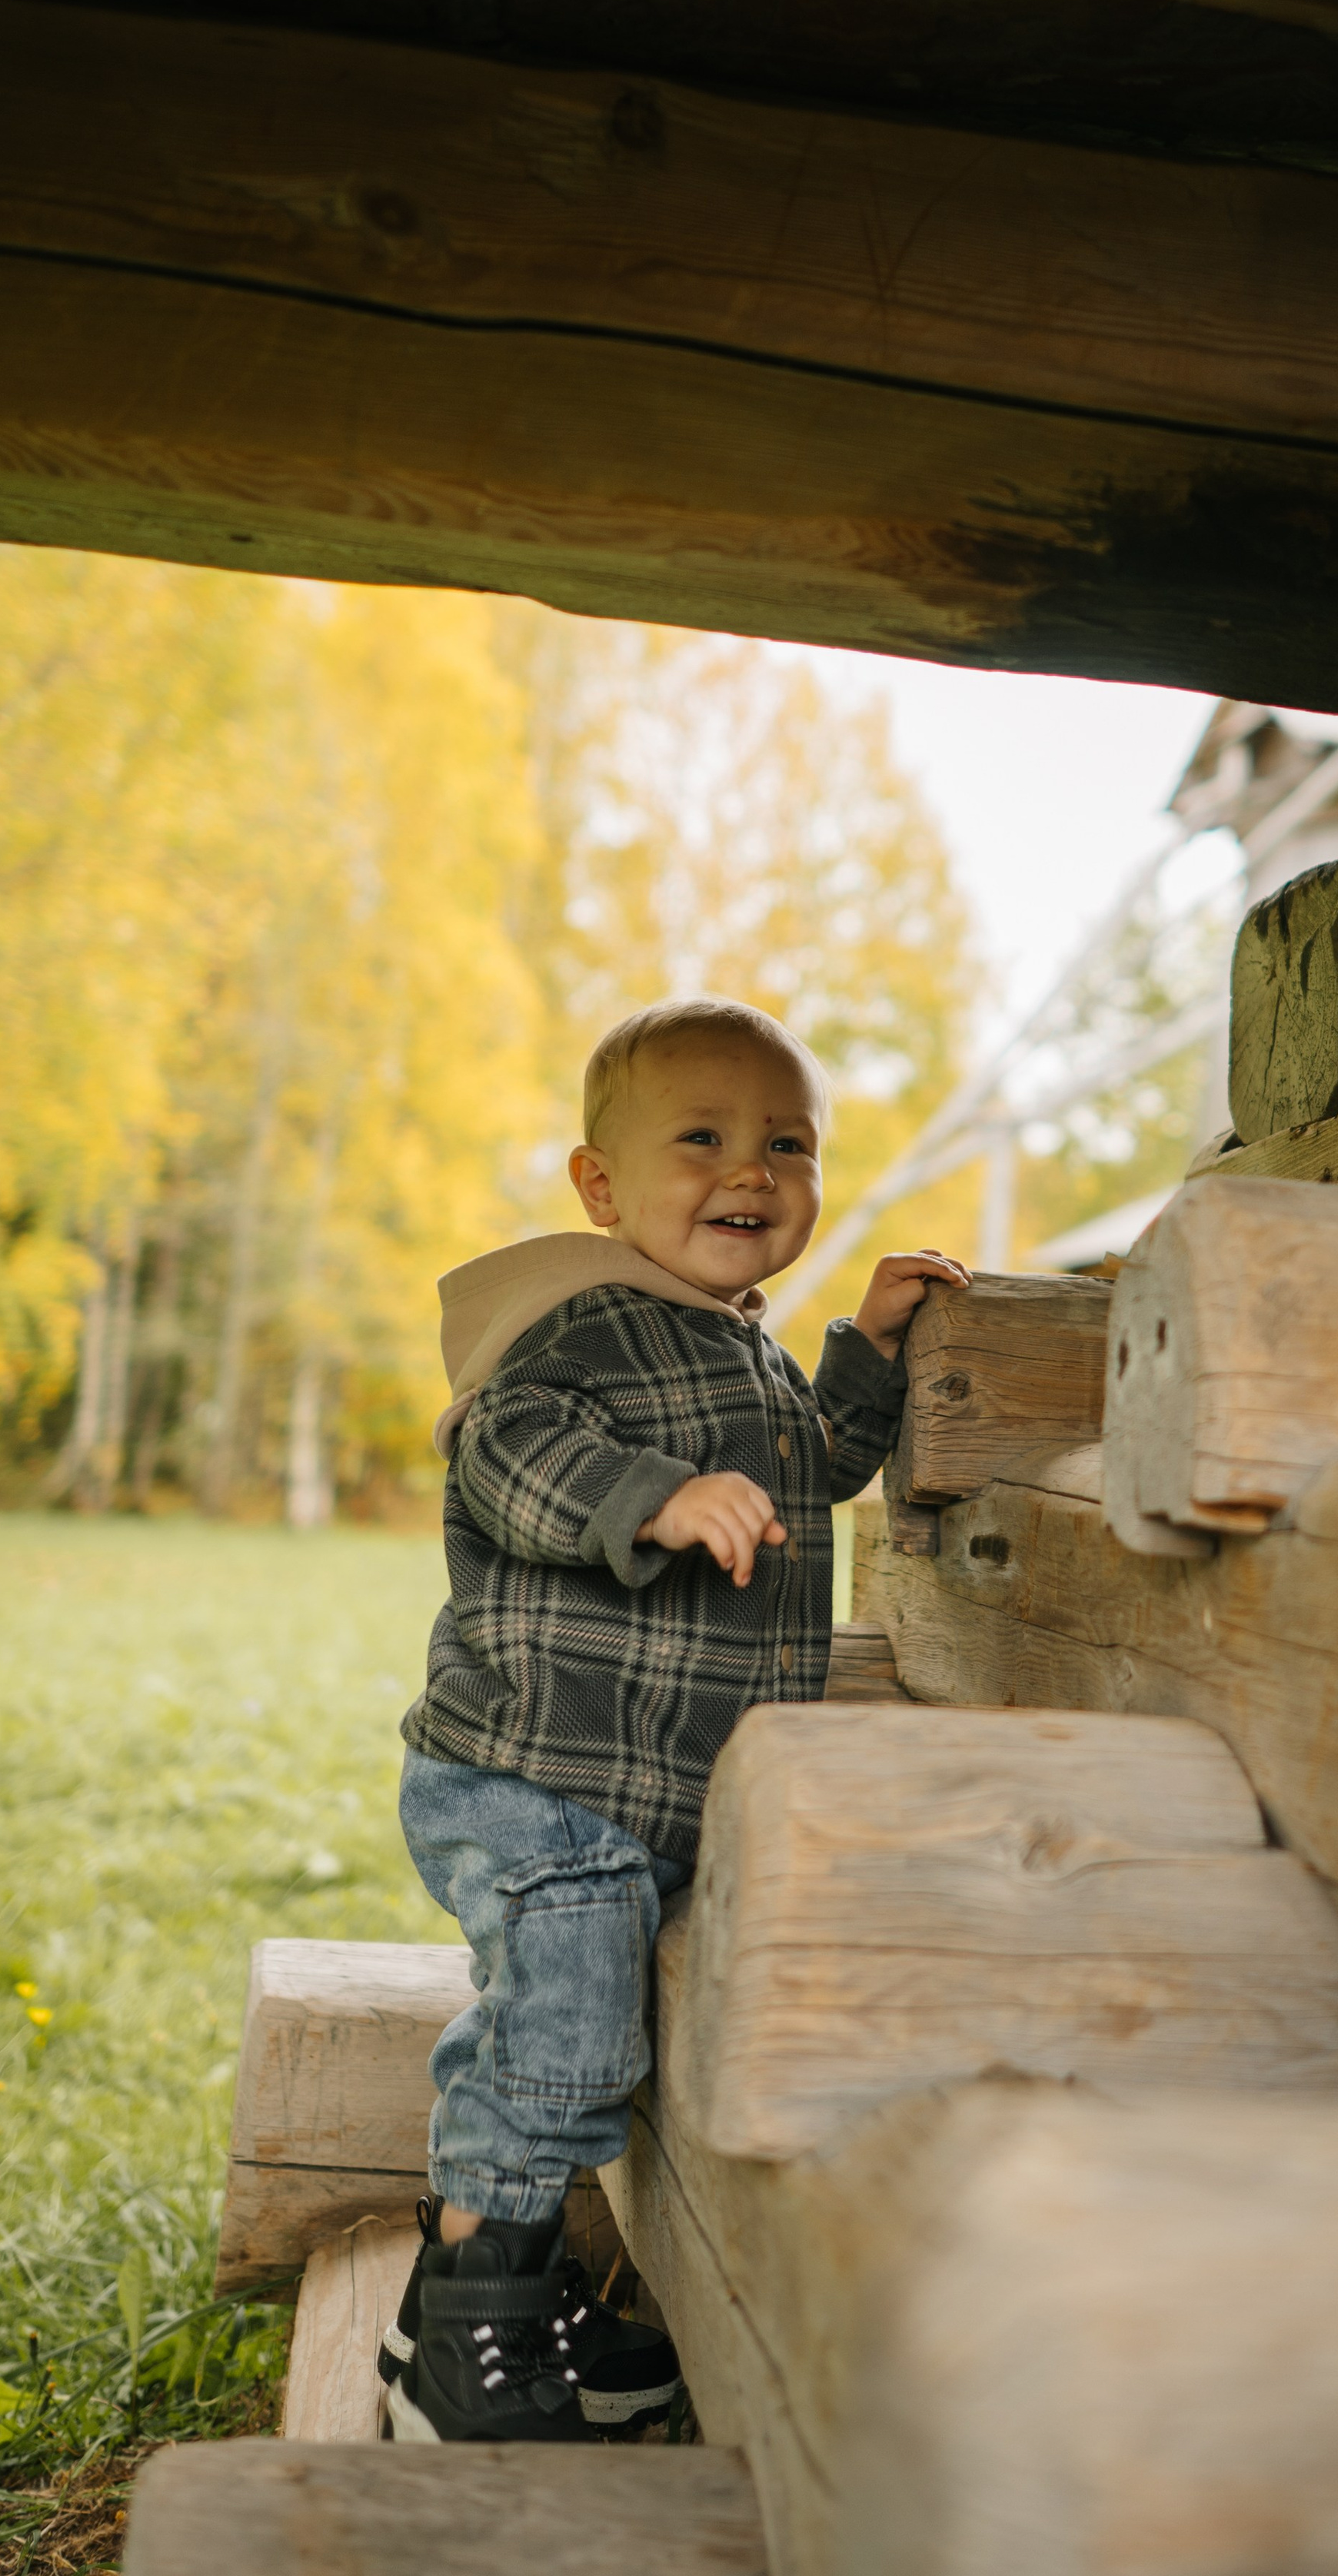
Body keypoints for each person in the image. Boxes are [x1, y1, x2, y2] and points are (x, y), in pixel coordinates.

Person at [379, 995, 969, 2443]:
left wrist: (872, 1355)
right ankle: (472, 2349)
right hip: (540, 1776)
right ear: (601, 1186)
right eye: (700, 1139)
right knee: (567, 2040)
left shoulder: (738, 1347)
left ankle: (467, 2303)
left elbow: (808, 1469)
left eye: (787, 1143)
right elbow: (509, 1459)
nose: (751, 1172)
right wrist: (652, 1495)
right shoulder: (577, 1323)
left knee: (572, 2034)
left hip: (633, 1790)